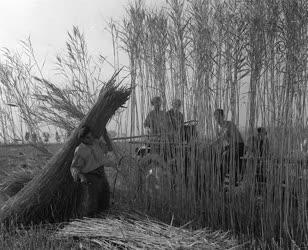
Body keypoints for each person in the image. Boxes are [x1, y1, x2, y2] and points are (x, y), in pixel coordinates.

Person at [70, 125, 116, 216]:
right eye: (88, 138)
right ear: (82, 139)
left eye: (91, 136)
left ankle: (104, 220)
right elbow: (74, 167)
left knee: (105, 197)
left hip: (101, 174)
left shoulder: (96, 143)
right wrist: (81, 177)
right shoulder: (80, 150)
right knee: (92, 202)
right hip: (90, 177)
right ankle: (91, 222)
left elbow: (109, 149)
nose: (91, 139)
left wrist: (105, 134)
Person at [213, 109, 245, 186]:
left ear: (223, 116)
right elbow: (222, 142)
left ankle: (225, 180)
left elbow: (221, 139)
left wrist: (212, 144)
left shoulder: (229, 124)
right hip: (230, 146)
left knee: (224, 156)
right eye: (216, 117)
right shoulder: (220, 129)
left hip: (238, 145)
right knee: (217, 155)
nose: (217, 119)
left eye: (218, 116)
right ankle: (219, 178)